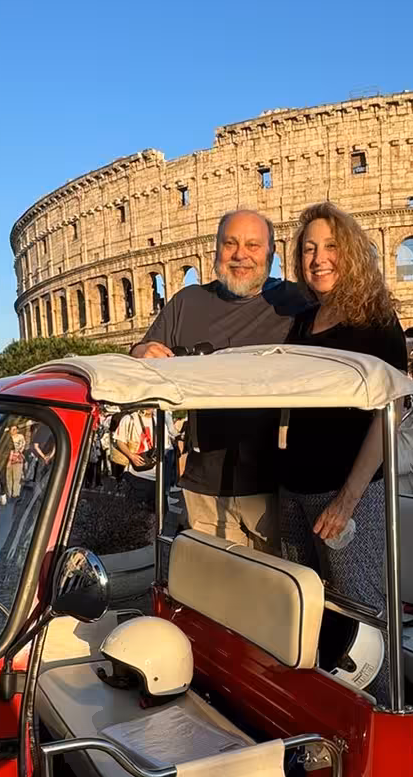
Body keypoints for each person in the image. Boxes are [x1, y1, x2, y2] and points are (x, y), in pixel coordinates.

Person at [278, 204, 407, 701]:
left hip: (346, 490)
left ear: (350, 252)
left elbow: (389, 413)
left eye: (330, 246)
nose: (318, 258)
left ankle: (390, 717)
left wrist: (348, 498)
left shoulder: (375, 320)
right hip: (296, 488)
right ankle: (327, 714)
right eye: (309, 249)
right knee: (310, 611)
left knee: (362, 615)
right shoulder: (305, 321)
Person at [131, 210, 308, 550]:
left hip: (275, 484)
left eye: (253, 245)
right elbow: (141, 351)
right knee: (217, 596)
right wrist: (142, 351)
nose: (240, 255)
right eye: (230, 244)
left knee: (276, 591)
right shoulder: (188, 302)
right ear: (215, 251)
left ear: (271, 254)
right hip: (205, 486)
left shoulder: (295, 302)